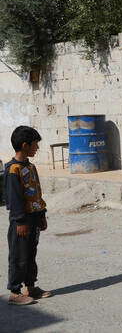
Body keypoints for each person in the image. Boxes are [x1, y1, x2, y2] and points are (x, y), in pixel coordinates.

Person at [5, 126, 52, 305]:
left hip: (33, 218)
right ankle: (15, 292)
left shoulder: (30, 167)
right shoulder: (13, 170)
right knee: (19, 256)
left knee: (31, 254)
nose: (37, 148)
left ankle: (31, 287)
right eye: (35, 145)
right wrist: (20, 221)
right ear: (25, 145)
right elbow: (14, 199)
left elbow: (36, 193)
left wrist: (42, 214)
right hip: (21, 221)